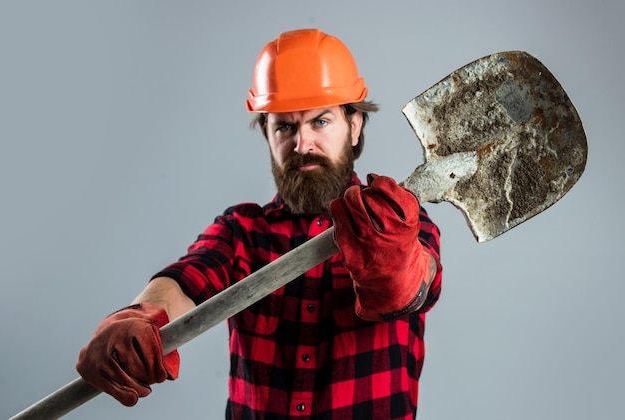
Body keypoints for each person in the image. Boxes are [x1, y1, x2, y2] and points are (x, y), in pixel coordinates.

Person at [76, 28, 443, 419]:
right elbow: (186, 278)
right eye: (285, 127)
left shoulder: (404, 224)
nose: (302, 145)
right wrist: (140, 315)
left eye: (320, 122)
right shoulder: (241, 231)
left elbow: (418, 287)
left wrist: (397, 265)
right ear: (267, 134)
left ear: (354, 126)